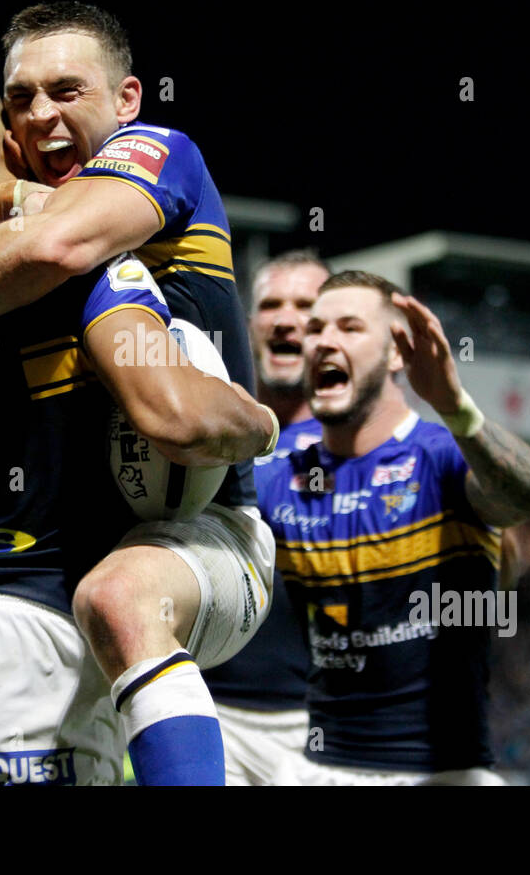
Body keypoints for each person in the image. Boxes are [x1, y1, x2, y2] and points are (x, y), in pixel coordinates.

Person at [0, 2, 276, 785]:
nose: (42, 115)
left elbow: (52, 241)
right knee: (111, 595)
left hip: (203, 524)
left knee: (120, 597)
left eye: (66, 90)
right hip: (28, 614)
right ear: (4, 134)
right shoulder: (38, 258)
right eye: (22, 98)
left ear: (127, 99)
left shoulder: (157, 155)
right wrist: (2, 201)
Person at [259, 270, 530, 783]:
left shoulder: (440, 457)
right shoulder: (282, 470)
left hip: (444, 773)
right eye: (317, 328)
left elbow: (528, 497)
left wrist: (456, 407)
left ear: (397, 354)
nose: (324, 339)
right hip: (321, 770)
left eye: (350, 328)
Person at [203, 249, 327, 785]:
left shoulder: (374, 447)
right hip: (215, 715)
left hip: (327, 728)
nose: (285, 318)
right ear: (250, 326)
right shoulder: (208, 428)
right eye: (271, 305)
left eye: (306, 306)